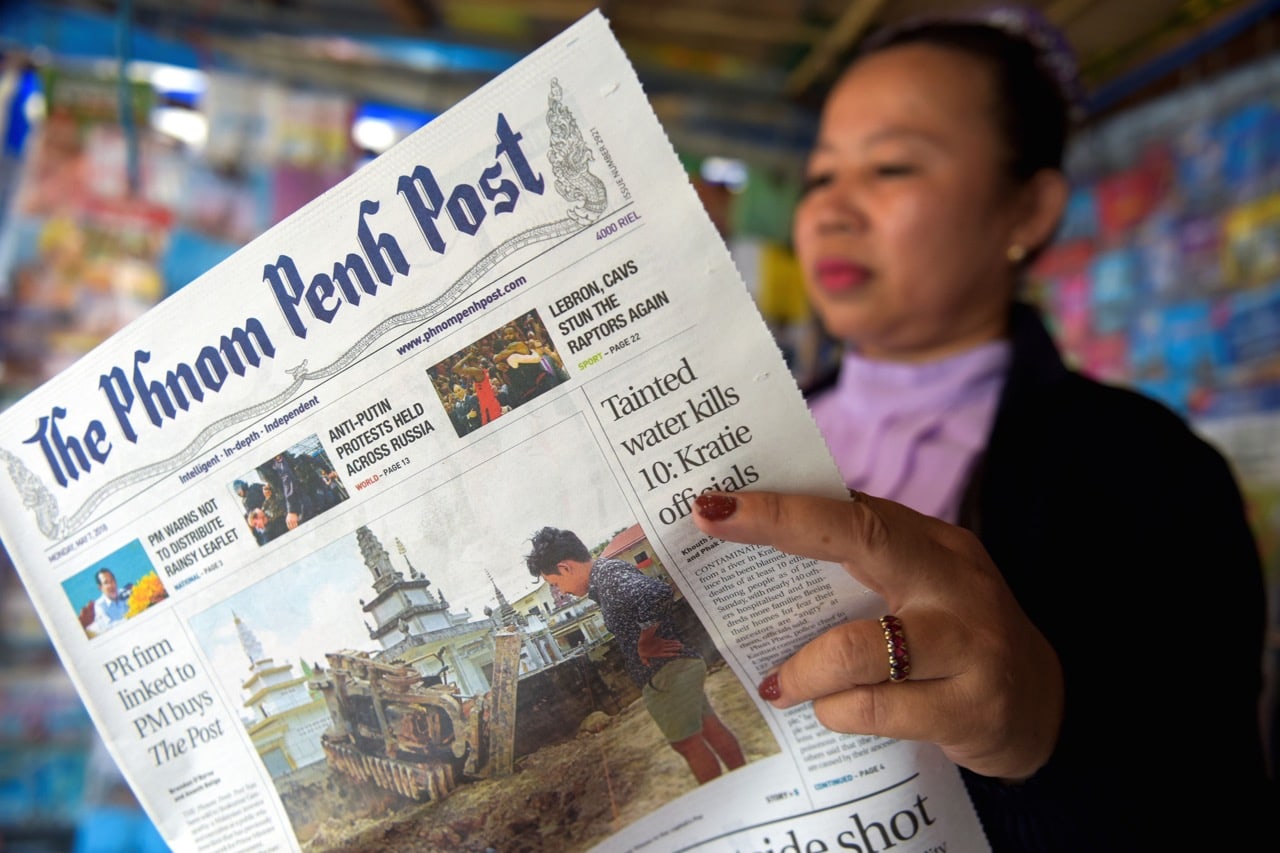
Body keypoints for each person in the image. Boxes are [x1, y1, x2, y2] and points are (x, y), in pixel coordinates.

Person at [689, 7, 1273, 851]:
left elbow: (1218, 803)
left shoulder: (1153, 472)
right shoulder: (758, 432)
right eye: (820, 177)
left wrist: (1042, 734)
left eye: (890, 166)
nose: (832, 212)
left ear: (1027, 211)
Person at [525, 526, 746, 784]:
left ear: (565, 568)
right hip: (676, 668)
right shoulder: (607, 575)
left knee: (687, 744)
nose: (560, 591)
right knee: (708, 727)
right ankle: (745, 781)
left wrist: (646, 640)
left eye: (555, 584)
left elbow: (656, 594)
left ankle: (729, 798)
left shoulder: (607, 577)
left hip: (666, 674)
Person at [87, 568, 130, 635]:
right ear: (100, 588)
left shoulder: (124, 593)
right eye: (106, 583)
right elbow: (108, 627)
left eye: (112, 580)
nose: (111, 585)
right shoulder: (100, 605)